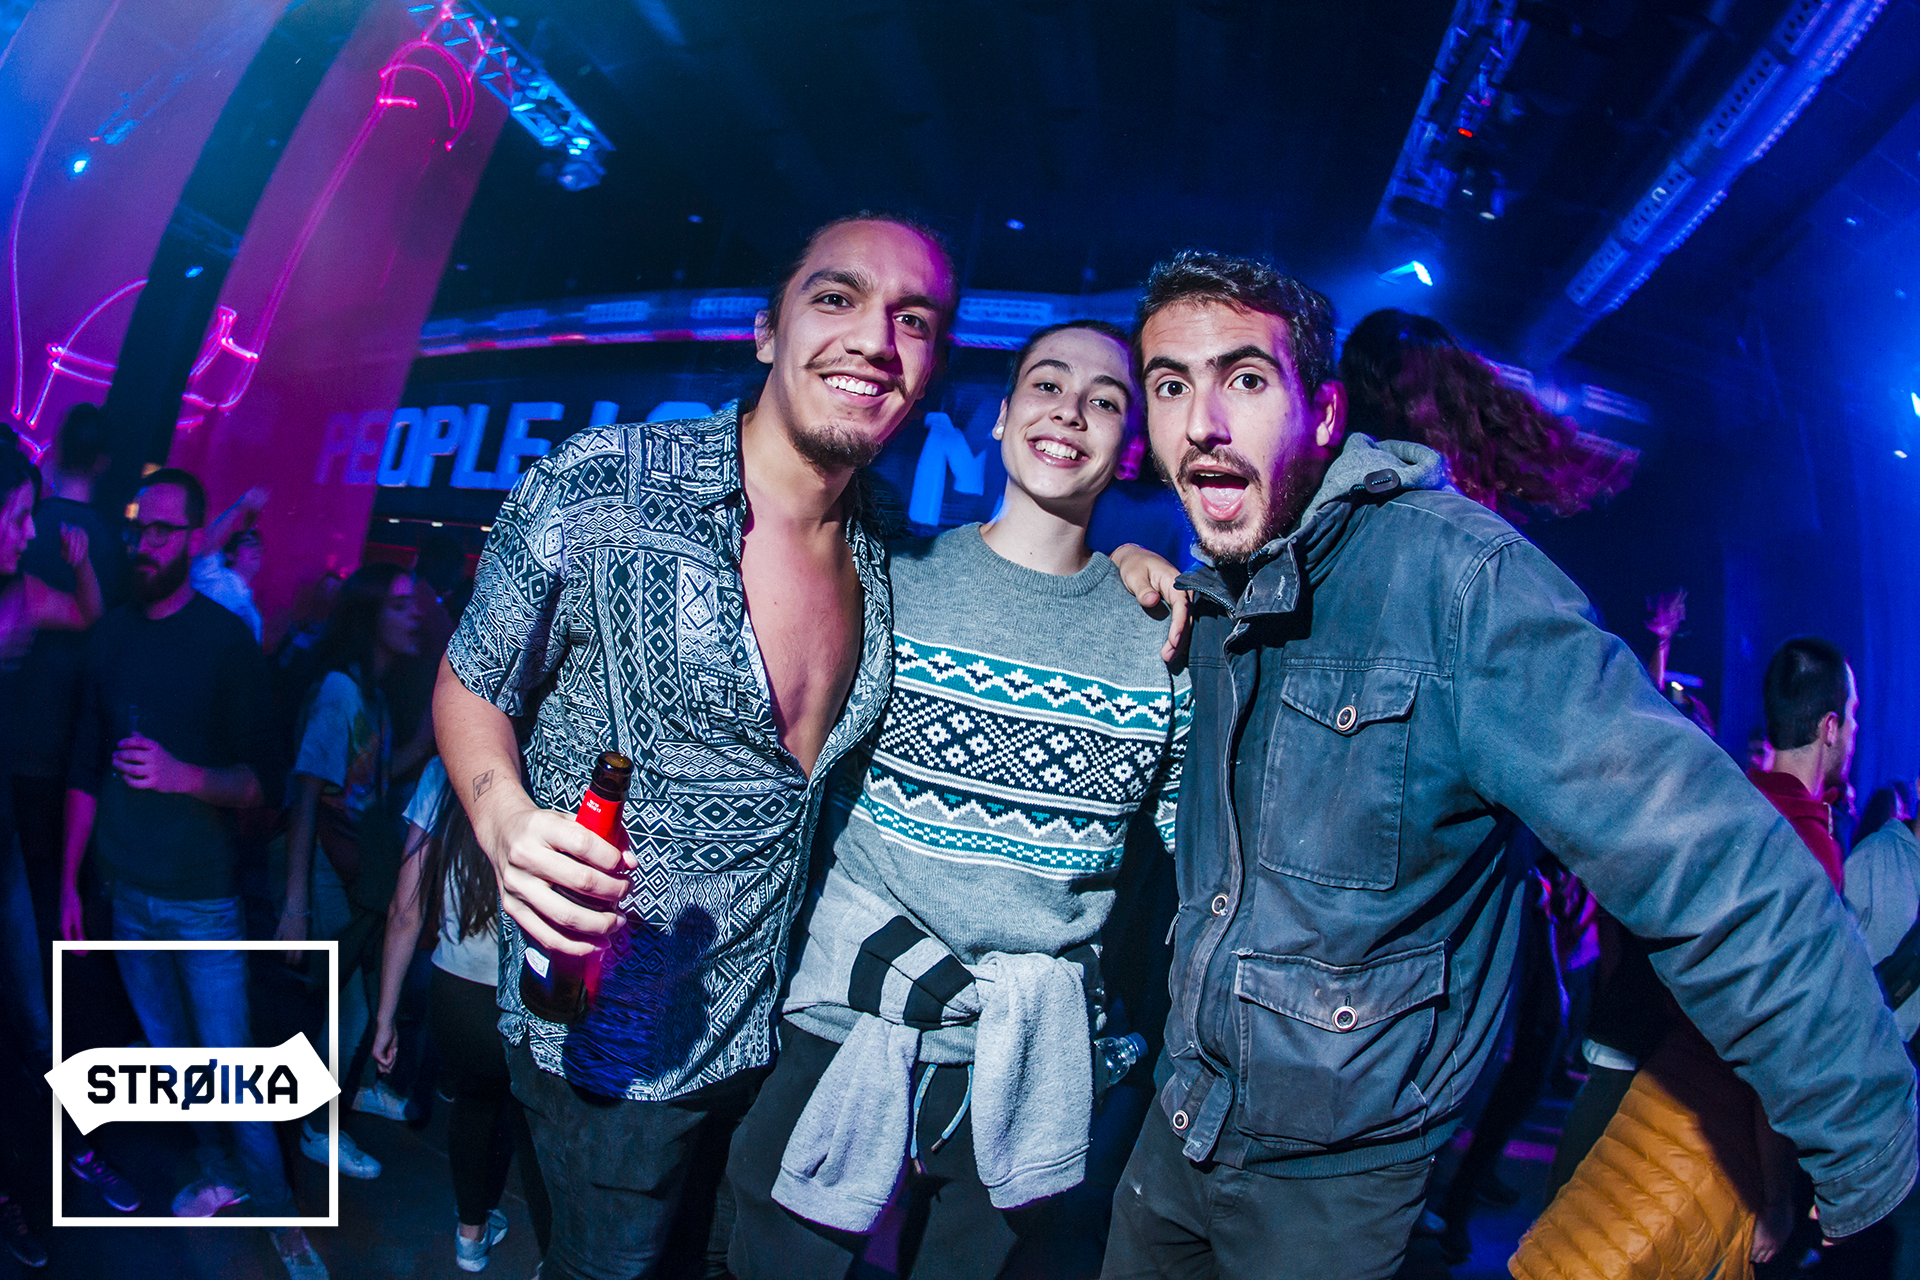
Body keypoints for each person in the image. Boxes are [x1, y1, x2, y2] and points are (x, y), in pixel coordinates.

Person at [1100, 251, 1915, 1279]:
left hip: (1328, 1192)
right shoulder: (1219, 587)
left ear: (1324, 412)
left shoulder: (1457, 582)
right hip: (1176, 1134)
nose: (1203, 423)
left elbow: (1710, 857)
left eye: (1246, 379)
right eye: (1172, 386)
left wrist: (1864, 1144)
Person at [432, 212, 958, 1279]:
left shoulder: (894, 546)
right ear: (766, 331)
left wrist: (1133, 568)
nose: (875, 340)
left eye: (914, 320)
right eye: (838, 297)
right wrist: (505, 821)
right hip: (616, 1039)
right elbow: (469, 681)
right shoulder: (604, 481)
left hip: (785, 1035)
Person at [724, 320, 1189, 1279]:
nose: (1071, 411)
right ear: (1001, 417)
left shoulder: (1162, 638)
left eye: (1105, 401)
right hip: (843, 1017)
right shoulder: (894, 581)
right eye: (1047, 386)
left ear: (1130, 448)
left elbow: (1190, 862)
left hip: (1024, 1059)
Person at [60, 467, 324, 1278]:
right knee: (173, 1056)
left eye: (162, 531)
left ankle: (282, 1218)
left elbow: (265, 782)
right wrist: (69, 880)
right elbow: (83, 767)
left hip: (202, 899)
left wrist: (183, 777)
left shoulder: (225, 641)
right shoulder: (112, 636)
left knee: (231, 1064)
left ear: (192, 539)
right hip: (124, 892)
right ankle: (216, 1173)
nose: (144, 543)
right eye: (138, 528)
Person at [371, 757, 550, 1272]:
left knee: (472, 1109)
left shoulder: (447, 766)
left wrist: (385, 1017)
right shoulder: (555, 750)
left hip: (457, 994)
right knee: (539, 1130)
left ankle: (470, 1237)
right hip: (534, 992)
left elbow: (405, 910)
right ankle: (554, 1259)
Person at [280, 561, 429, 1162]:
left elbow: (371, 781)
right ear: (369, 617)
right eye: (399, 605)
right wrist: (295, 904)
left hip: (353, 868)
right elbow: (306, 796)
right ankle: (317, 1128)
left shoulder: (375, 698)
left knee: (360, 997)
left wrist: (427, 738)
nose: (413, 615)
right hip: (326, 865)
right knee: (349, 1004)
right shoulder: (341, 691)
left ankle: (348, 1095)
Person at [10, 403, 126, 950]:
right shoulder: (110, 542)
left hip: (26, 738)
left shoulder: (33, 538)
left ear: (55, 450)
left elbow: (86, 614)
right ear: (103, 462)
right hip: (58, 744)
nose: (26, 534)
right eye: (19, 522)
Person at [1749, 637, 1854, 891]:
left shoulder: (1736, 799)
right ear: (1831, 727)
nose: (1855, 727)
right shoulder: (1815, 850)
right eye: (1853, 713)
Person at [191, 485, 269, 643]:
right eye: (248, 544)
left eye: (258, 546)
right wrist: (240, 506)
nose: (256, 549)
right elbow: (207, 543)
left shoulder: (255, 617)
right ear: (230, 555)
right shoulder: (215, 578)